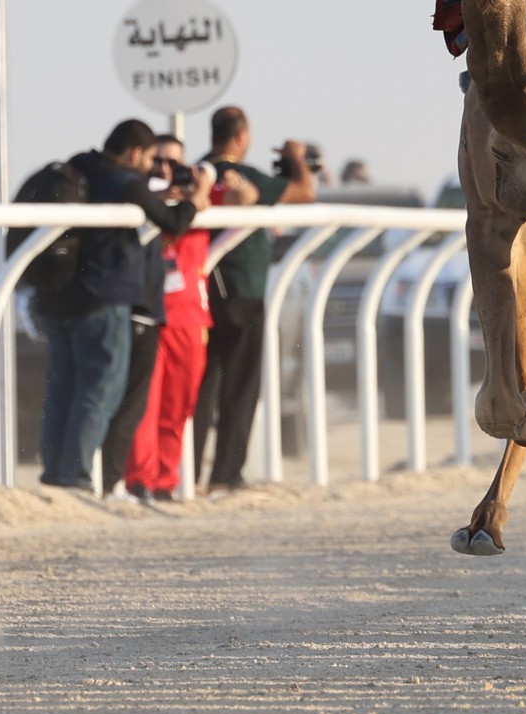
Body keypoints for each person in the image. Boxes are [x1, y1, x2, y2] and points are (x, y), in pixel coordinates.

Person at [30, 120, 199, 489]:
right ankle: (75, 475)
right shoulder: (126, 183)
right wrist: (193, 202)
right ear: (135, 153)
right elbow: (173, 222)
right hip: (101, 302)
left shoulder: (81, 167)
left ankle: (56, 473)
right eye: (150, 159)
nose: (151, 168)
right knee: (99, 390)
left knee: (62, 389)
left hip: (57, 297)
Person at [195, 107, 316, 491]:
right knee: (240, 386)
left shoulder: (197, 173)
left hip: (200, 295)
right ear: (241, 136)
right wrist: (296, 157)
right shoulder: (244, 175)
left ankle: (189, 471)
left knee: (200, 387)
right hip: (242, 293)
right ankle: (226, 474)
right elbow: (305, 192)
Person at [123, 136, 218, 501]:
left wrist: (204, 185)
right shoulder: (134, 197)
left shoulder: (200, 197)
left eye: (173, 163)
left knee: (178, 407)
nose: (164, 169)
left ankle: (165, 480)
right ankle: (140, 480)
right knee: (143, 406)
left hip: (189, 318)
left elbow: (246, 198)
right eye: (157, 161)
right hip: (147, 314)